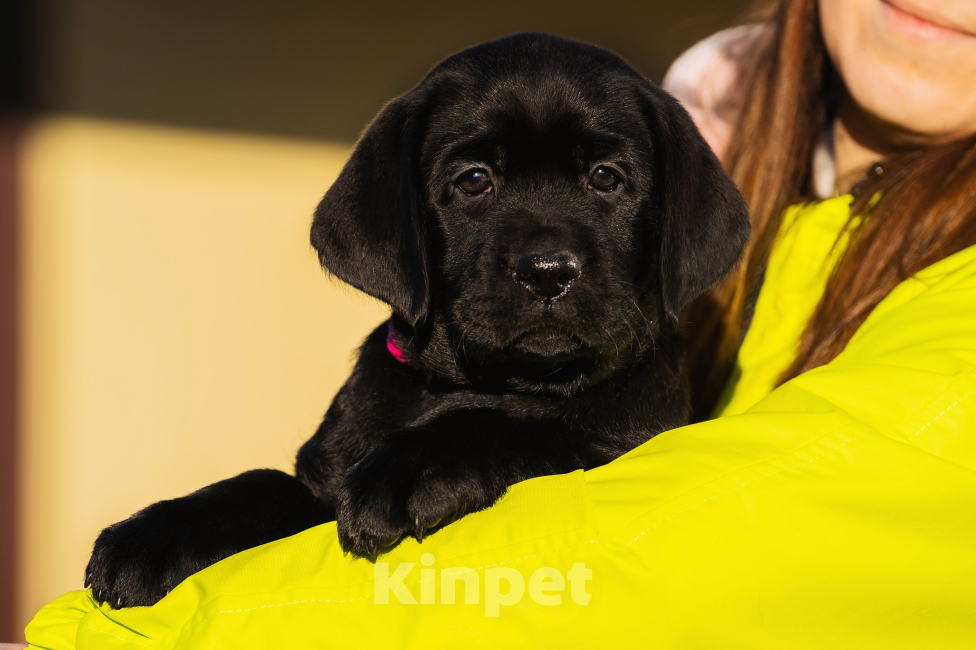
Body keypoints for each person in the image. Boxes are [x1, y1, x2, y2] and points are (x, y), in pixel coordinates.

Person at [25, 0, 976, 647]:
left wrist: (493, 446)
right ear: (399, 231)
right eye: (473, 182)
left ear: (672, 227)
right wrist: (244, 515)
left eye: (606, 181)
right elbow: (325, 522)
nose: (548, 251)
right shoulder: (772, 229)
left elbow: (626, 554)